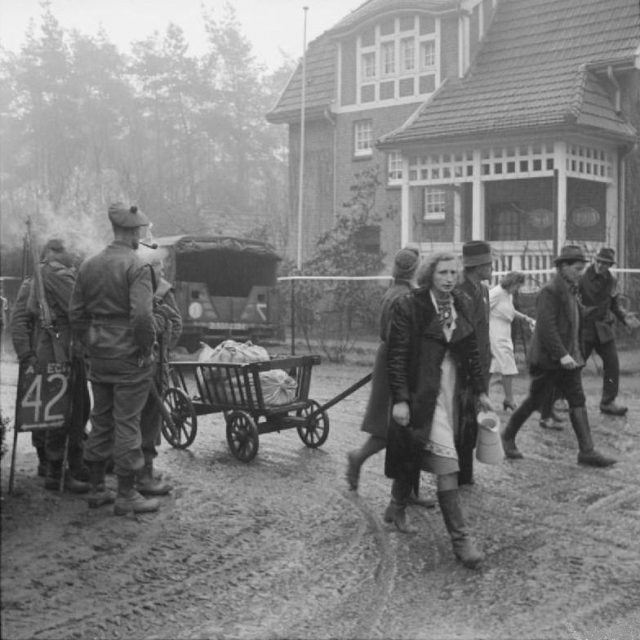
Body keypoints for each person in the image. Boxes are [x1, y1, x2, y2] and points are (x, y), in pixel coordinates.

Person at [384, 252, 493, 568]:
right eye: (443, 272)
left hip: (452, 393)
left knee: (414, 450)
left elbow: (470, 349)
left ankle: (396, 505)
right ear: (430, 274)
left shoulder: (459, 303)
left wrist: (481, 391)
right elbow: (397, 355)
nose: (449, 278)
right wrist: (402, 399)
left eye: (454, 272)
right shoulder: (411, 306)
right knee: (447, 464)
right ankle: (462, 542)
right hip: (423, 393)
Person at [70, 202, 159, 515]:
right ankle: (126, 493)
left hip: (100, 356)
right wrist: (145, 349)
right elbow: (143, 318)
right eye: (139, 231)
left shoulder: (88, 265)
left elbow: (76, 314)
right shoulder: (137, 266)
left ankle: (96, 488)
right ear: (132, 232)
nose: (141, 235)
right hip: (129, 357)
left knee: (101, 420)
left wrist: (92, 342)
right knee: (128, 423)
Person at [501, 245, 616, 468]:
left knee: (577, 399)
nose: (580, 273)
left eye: (582, 269)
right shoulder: (550, 291)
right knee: (535, 400)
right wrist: (562, 354)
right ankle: (507, 436)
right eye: (577, 268)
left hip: (569, 359)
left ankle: (587, 451)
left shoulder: (571, 288)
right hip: (549, 360)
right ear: (563, 267)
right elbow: (547, 327)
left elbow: (575, 317)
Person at [345, 246, 435, 511]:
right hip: (400, 365)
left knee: (403, 430)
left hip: (390, 361)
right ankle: (359, 458)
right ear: (415, 270)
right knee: (396, 429)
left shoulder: (394, 292)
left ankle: (409, 490)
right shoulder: (405, 298)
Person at [10, 240, 91, 492]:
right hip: (51, 354)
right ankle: (53, 467)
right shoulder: (39, 280)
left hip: (69, 353)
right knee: (54, 414)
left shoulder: (63, 277)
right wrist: (27, 355)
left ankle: (68, 466)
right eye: (69, 250)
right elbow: (19, 321)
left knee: (78, 409)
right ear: (54, 252)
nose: (74, 255)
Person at [136, 260, 183, 496]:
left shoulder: (162, 291)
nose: (160, 273)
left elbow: (176, 322)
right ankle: (128, 470)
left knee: (150, 418)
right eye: (158, 268)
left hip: (151, 366)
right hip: (131, 364)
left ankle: (145, 471)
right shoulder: (130, 283)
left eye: (160, 269)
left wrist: (162, 349)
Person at [579, 247, 640, 415]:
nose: (600, 265)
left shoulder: (612, 280)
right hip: (585, 329)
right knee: (576, 364)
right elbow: (572, 303)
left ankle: (608, 402)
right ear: (594, 260)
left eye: (605, 263)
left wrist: (625, 318)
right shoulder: (581, 277)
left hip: (604, 329)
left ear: (610, 265)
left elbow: (614, 305)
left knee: (612, 363)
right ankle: (558, 398)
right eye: (598, 261)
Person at [454, 240, 493, 486]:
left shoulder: (483, 290)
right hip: (465, 366)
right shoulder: (460, 292)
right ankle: (460, 473)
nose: (492, 267)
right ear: (478, 266)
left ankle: (466, 473)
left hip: (482, 363)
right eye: (488, 263)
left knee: (473, 418)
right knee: (464, 419)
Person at [10, 276, 47, 478]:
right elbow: (19, 322)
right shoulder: (32, 284)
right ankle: (46, 461)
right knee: (39, 412)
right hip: (38, 355)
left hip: (63, 357)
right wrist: (26, 354)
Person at [489, 271, 536, 411]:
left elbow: (510, 310)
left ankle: (496, 398)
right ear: (512, 282)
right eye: (518, 285)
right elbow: (483, 309)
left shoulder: (508, 294)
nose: (518, 289)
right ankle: (509, 399)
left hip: (505, 331)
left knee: (496, 367)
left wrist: (526, 318)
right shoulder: (497, 292)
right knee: (506, 365)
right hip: (495, 331)